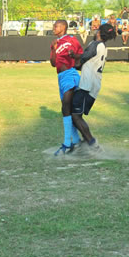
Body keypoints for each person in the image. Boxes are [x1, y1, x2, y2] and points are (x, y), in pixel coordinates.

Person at [71, 24, 116, 149]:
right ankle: (86, 142)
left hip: (87, 85)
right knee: (76, 114)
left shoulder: (95, 44)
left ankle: (92, 143)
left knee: (75, 115)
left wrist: (71, 57)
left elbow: (82, 58)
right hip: (93, 84)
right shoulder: (102, 46)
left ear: (99, 32)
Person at [50, 19, 84, 155]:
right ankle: (76, 141)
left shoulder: (72, 40)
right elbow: (53, 63)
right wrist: (53, 49)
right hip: (61, 77)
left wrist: (75, 60)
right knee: (67, 109)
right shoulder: (55, 43)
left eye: (56, 26)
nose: (53, 28)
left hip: (71, 74)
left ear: (63, 27)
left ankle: (67, 144)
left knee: (65, 107)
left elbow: (81, 55)